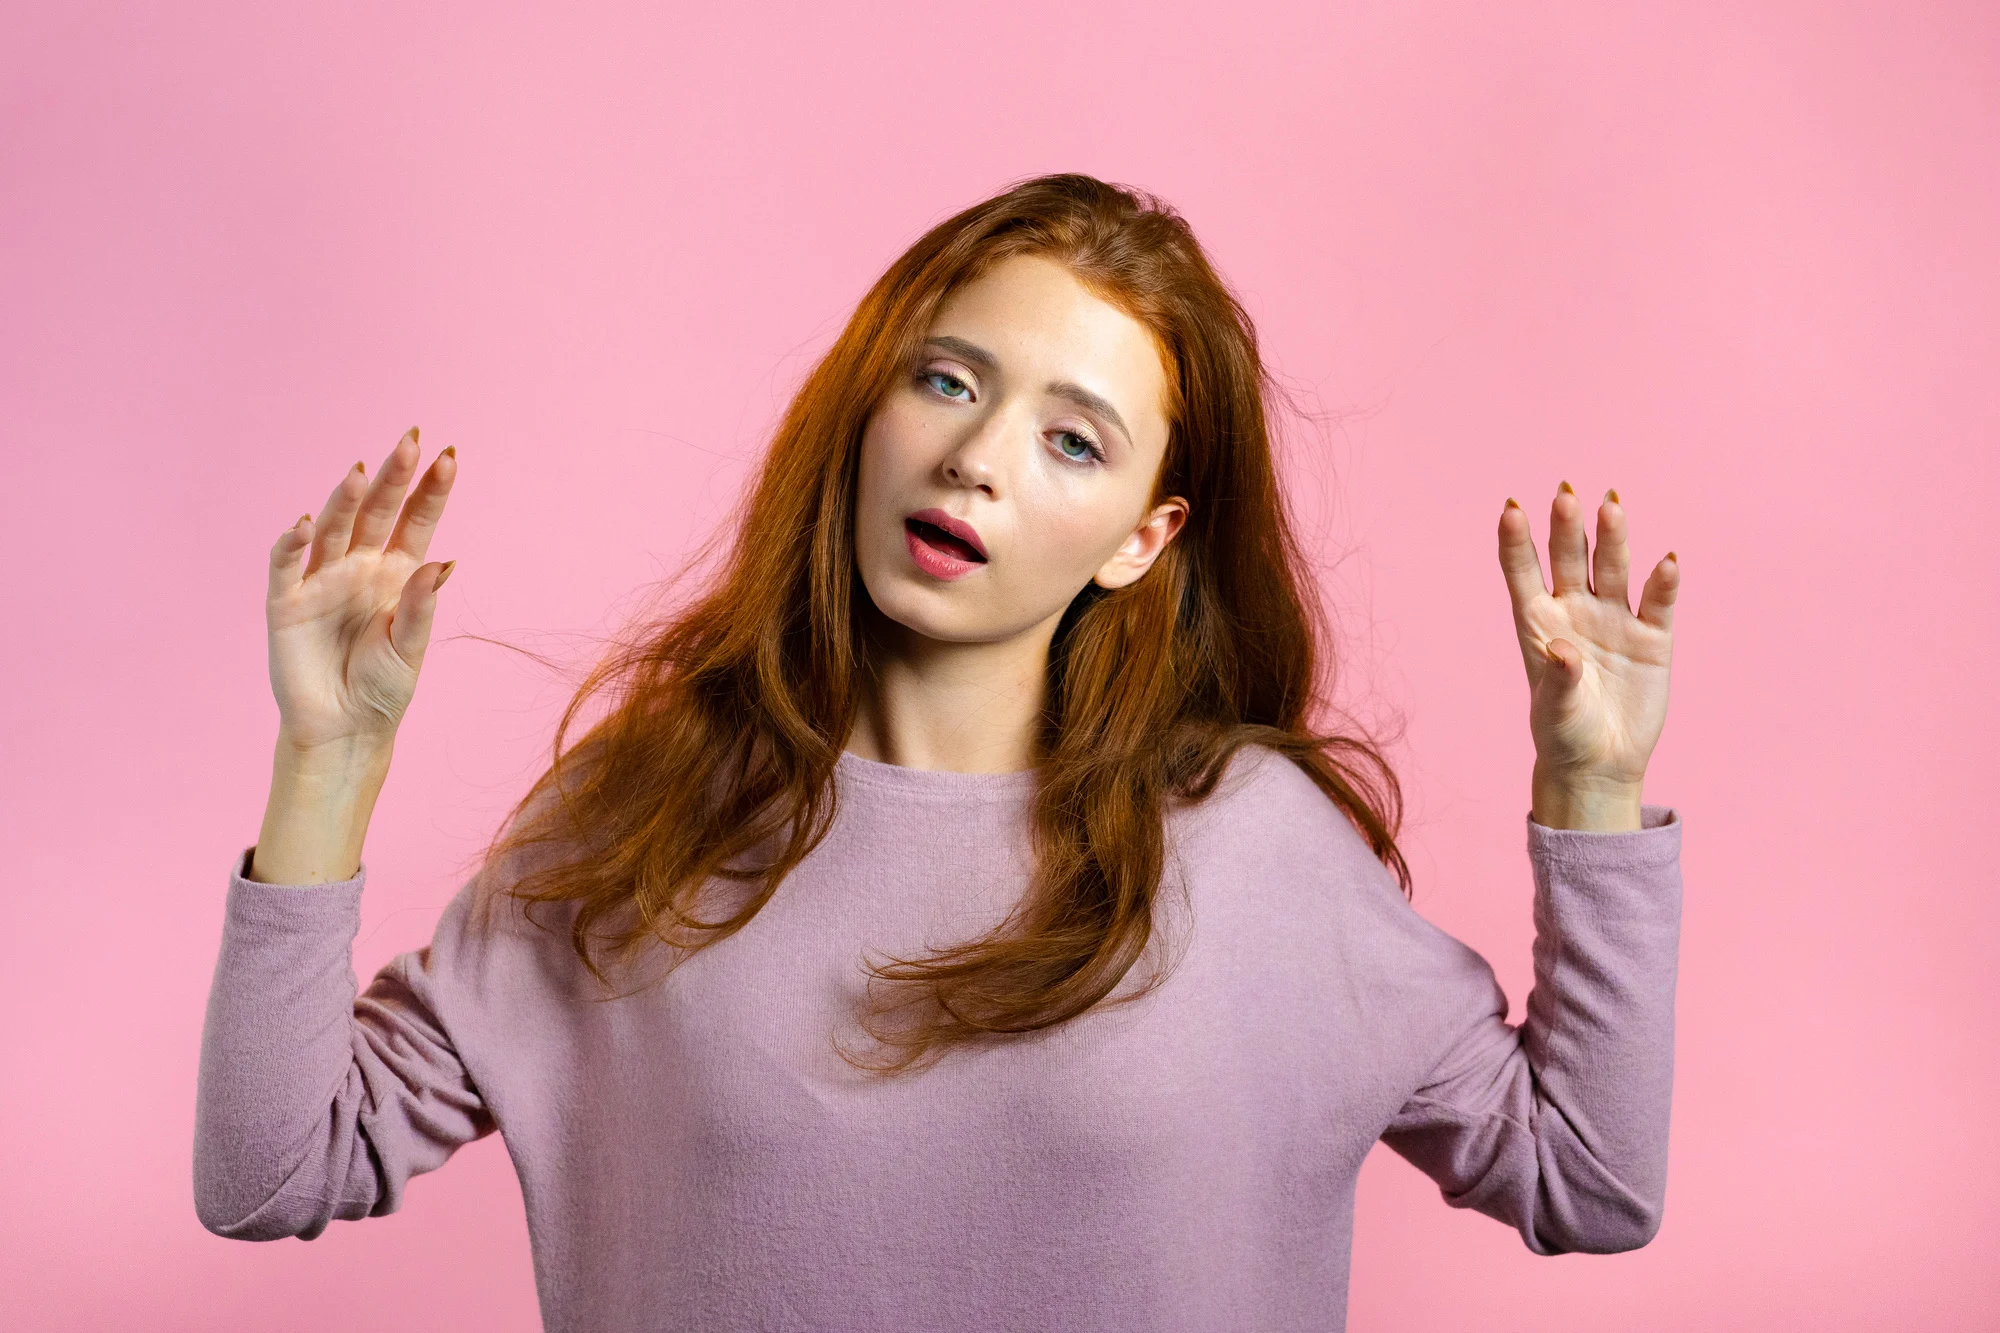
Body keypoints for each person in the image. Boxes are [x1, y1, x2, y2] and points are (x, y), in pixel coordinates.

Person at [195, 173, 1684, 1332]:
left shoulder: (1250, 845)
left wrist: (1596, 793)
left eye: (1075, 440)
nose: (976, 456)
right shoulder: (644, 814)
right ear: (872, 406)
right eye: (951, 380)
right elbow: (271, 1176)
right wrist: (325, 763)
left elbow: (1588, 1182)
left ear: (1142, 542)